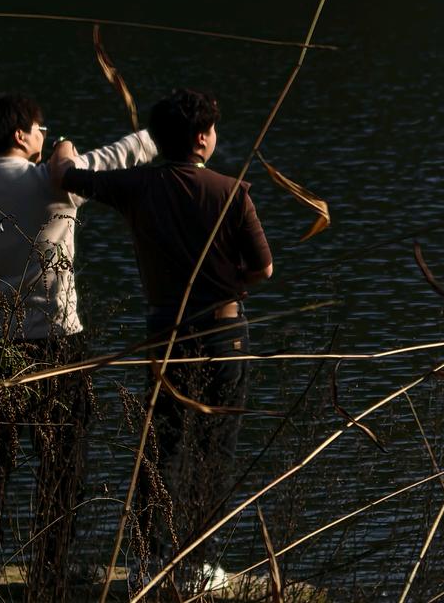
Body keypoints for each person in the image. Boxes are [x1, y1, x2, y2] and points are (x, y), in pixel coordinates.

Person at [0, 92, 156, 596]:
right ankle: (51, 567)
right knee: (62, 462)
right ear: (20, 135)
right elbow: (117, 156)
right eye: (41, 128)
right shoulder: (53, 184)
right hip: (57, 345)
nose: (45, 136)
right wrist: (155, 135)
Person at [51, 88, 272, 592]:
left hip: (166, 333)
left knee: (162, 447)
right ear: (202, 139)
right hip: (224, 334)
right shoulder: (232, 191)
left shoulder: (135, 185)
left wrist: (61, 143)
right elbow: (263, 268)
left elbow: (65, 175)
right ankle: (199, 563)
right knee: (215, 449)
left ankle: (150, 560)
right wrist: (231, 282)